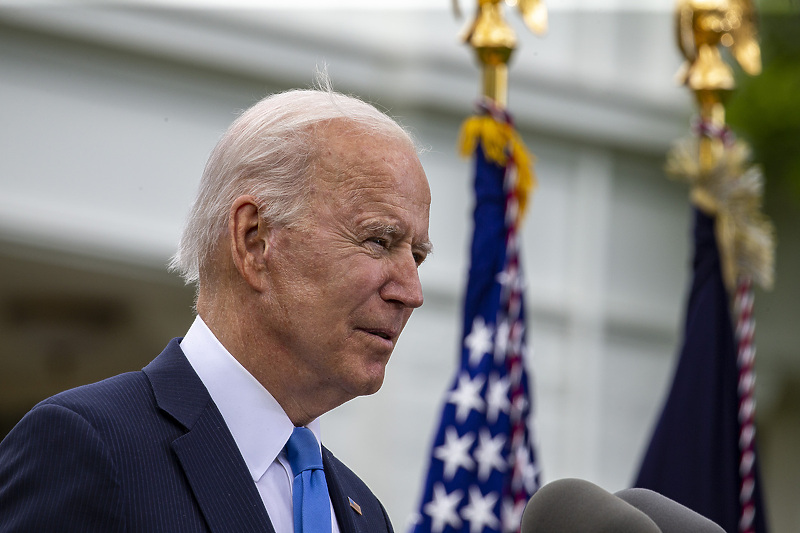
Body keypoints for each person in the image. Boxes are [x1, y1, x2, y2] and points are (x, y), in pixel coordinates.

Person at [0, 85, 433, 532]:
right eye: (379, 241)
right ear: (254, 240)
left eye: (417, 256)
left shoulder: (365, 512)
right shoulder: (89, 448)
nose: (412, 292)